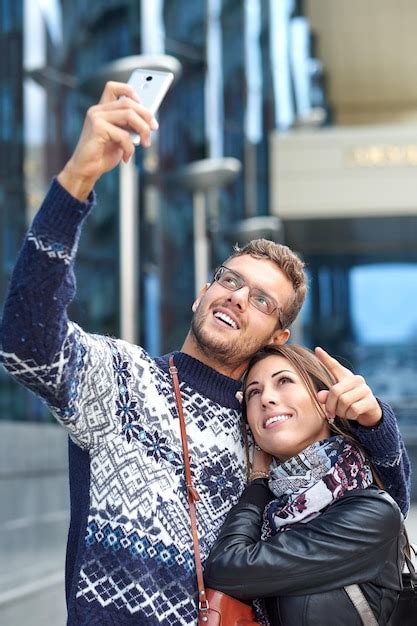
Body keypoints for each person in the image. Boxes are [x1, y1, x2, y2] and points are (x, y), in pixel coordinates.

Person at [0, 82, 409, 625]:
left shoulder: (270, 429)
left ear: (276, 338)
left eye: (261, 299)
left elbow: (385, 507)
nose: (238, 297)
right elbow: (26, 342)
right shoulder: (125, 380)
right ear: (202, 293)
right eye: (229, 280)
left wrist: (375, 423)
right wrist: (77, 181)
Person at [205, 344, 404, 626]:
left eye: (284, 381)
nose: (266, 399)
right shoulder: (270, 509)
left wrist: (258, 482)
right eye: (254, 392)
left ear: (327, 402)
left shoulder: (372, 513)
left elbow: (227, 566)